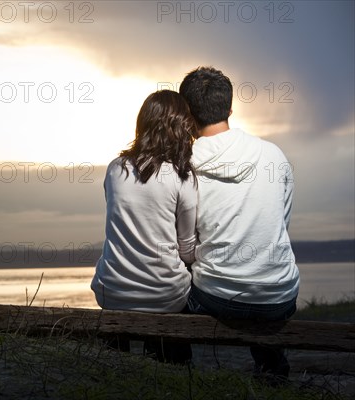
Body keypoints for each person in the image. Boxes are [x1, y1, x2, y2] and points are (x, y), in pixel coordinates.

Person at [179, 66, 300, 381]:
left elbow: (184, 239)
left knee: (173, 284)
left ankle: (176, 374)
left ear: (186, 113)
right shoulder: (274, 156)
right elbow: (279, 223)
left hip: (216, 299)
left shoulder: (183, 164)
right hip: (280, 297)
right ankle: (272, 370)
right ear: (230, 109)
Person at [91, 90, 197, 364]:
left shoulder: (116, 169)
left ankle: (115, 368)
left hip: (111, 292)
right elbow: (186, 249)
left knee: (113, 363)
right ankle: (168, 367)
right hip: (166, 297)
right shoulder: (183, 177)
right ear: (181, 128)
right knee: (173, 354)